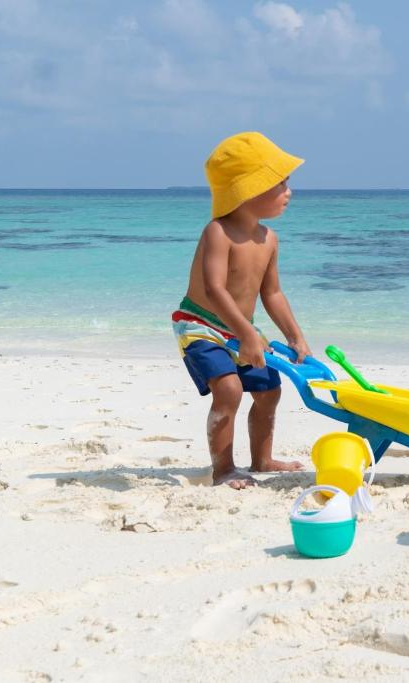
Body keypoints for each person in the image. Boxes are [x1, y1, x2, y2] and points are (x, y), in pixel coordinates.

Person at [172, 132, 311, 489]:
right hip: (201, 325)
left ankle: (262, 459)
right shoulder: (218, 232)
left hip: (241, 329)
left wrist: (295, 337)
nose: (289, 192)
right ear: (251, 188)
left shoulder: (269, 239)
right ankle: (223, 470)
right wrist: (247, 334)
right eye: (280, 183)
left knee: (269, 389)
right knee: (229, 390)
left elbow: (272, 293)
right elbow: (215, 290)